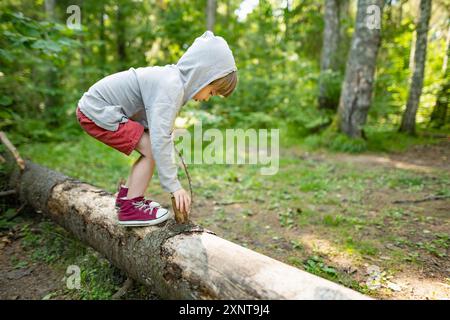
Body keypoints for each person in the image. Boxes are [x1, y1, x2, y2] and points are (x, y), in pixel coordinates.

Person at [76, 31, 238, 226]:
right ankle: (130, 208)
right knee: (152, 149)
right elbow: (159, 140)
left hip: (97, 108)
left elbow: (157, 127)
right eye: (211, 92)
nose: (206, 98)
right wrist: (174, 187)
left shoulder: (171, 80)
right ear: (201, 76)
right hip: (97, 110)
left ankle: (126, 198)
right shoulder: (172, 87)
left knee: (150, 147)